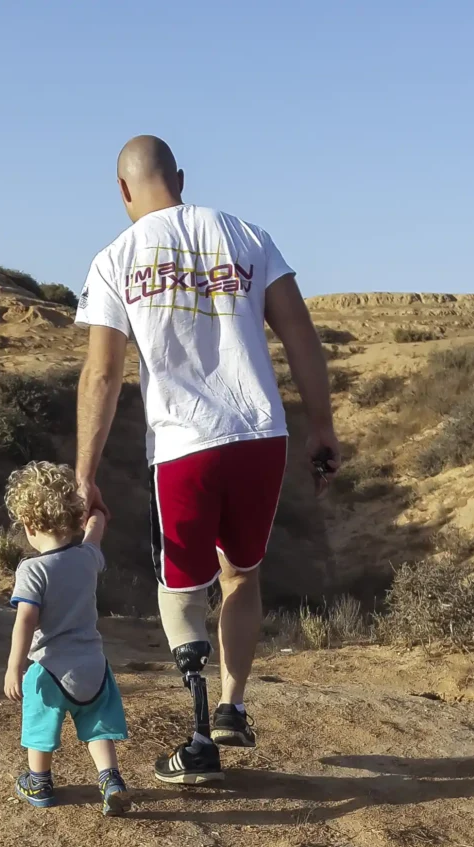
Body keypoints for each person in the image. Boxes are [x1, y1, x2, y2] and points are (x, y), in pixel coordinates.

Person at [75, 135, 340, 785]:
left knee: (181, 590)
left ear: (123, 191)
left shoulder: (117, 257)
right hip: (260, 436)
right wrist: (323, 428)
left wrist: (85, 472)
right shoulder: (246, 235)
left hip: (183, 446)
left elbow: (102, 375)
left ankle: (198, 741)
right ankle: (232, 705)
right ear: (181, 178)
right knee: (242, 574)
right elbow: (301, 335)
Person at [3, 461, 131, 816]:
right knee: (98, 726)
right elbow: (96, 527)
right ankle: (111, 779)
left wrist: (15, 667)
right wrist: (96, 507)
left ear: (28, 526)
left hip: (50, 668)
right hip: (93, 666)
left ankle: (39, 782)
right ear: (73, 520)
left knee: (40, 722)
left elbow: (25, 620)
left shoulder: (32, 570)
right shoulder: (87, 557)